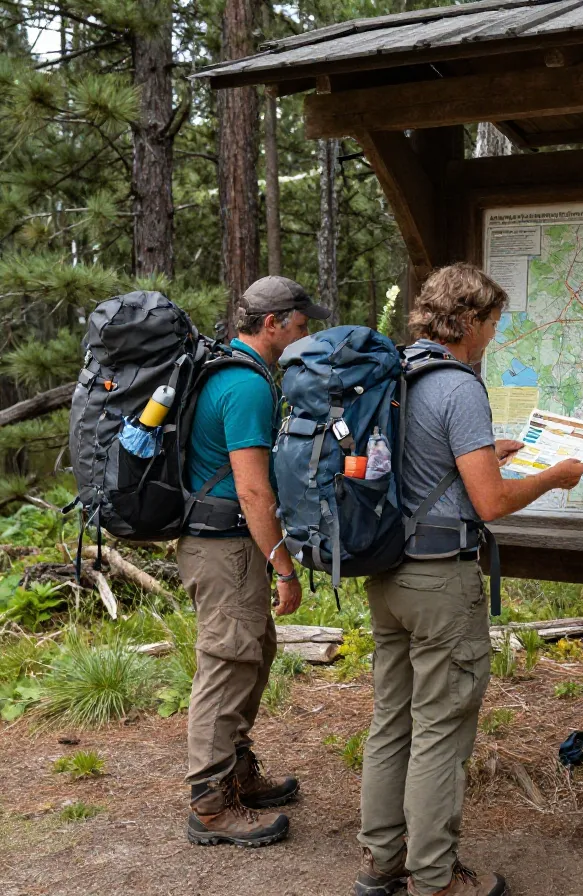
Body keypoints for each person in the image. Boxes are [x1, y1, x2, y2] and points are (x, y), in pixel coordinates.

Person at [354, 263, 583, 896]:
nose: (492, 336)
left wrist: (490, 450)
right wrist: (550, 477)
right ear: (470, 321)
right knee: (440, 729)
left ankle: (382, 863)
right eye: (491, 323)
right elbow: (491, 504)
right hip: (440, 584)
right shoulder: (458, 387)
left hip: (387, 573)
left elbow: (423, 462)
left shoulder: (395, 371)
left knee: (391, 720)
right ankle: (433, 878)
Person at [180, 276, 330, 847]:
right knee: (228, 662)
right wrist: (284, 566)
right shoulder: (246, 387)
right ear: (272, 324)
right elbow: (253, 493)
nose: (304, 331)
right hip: (226, 549)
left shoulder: (227, 371)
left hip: (221, 548)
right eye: (299, 322)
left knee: (251, 651)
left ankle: (237, 772)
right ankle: (211, 804)